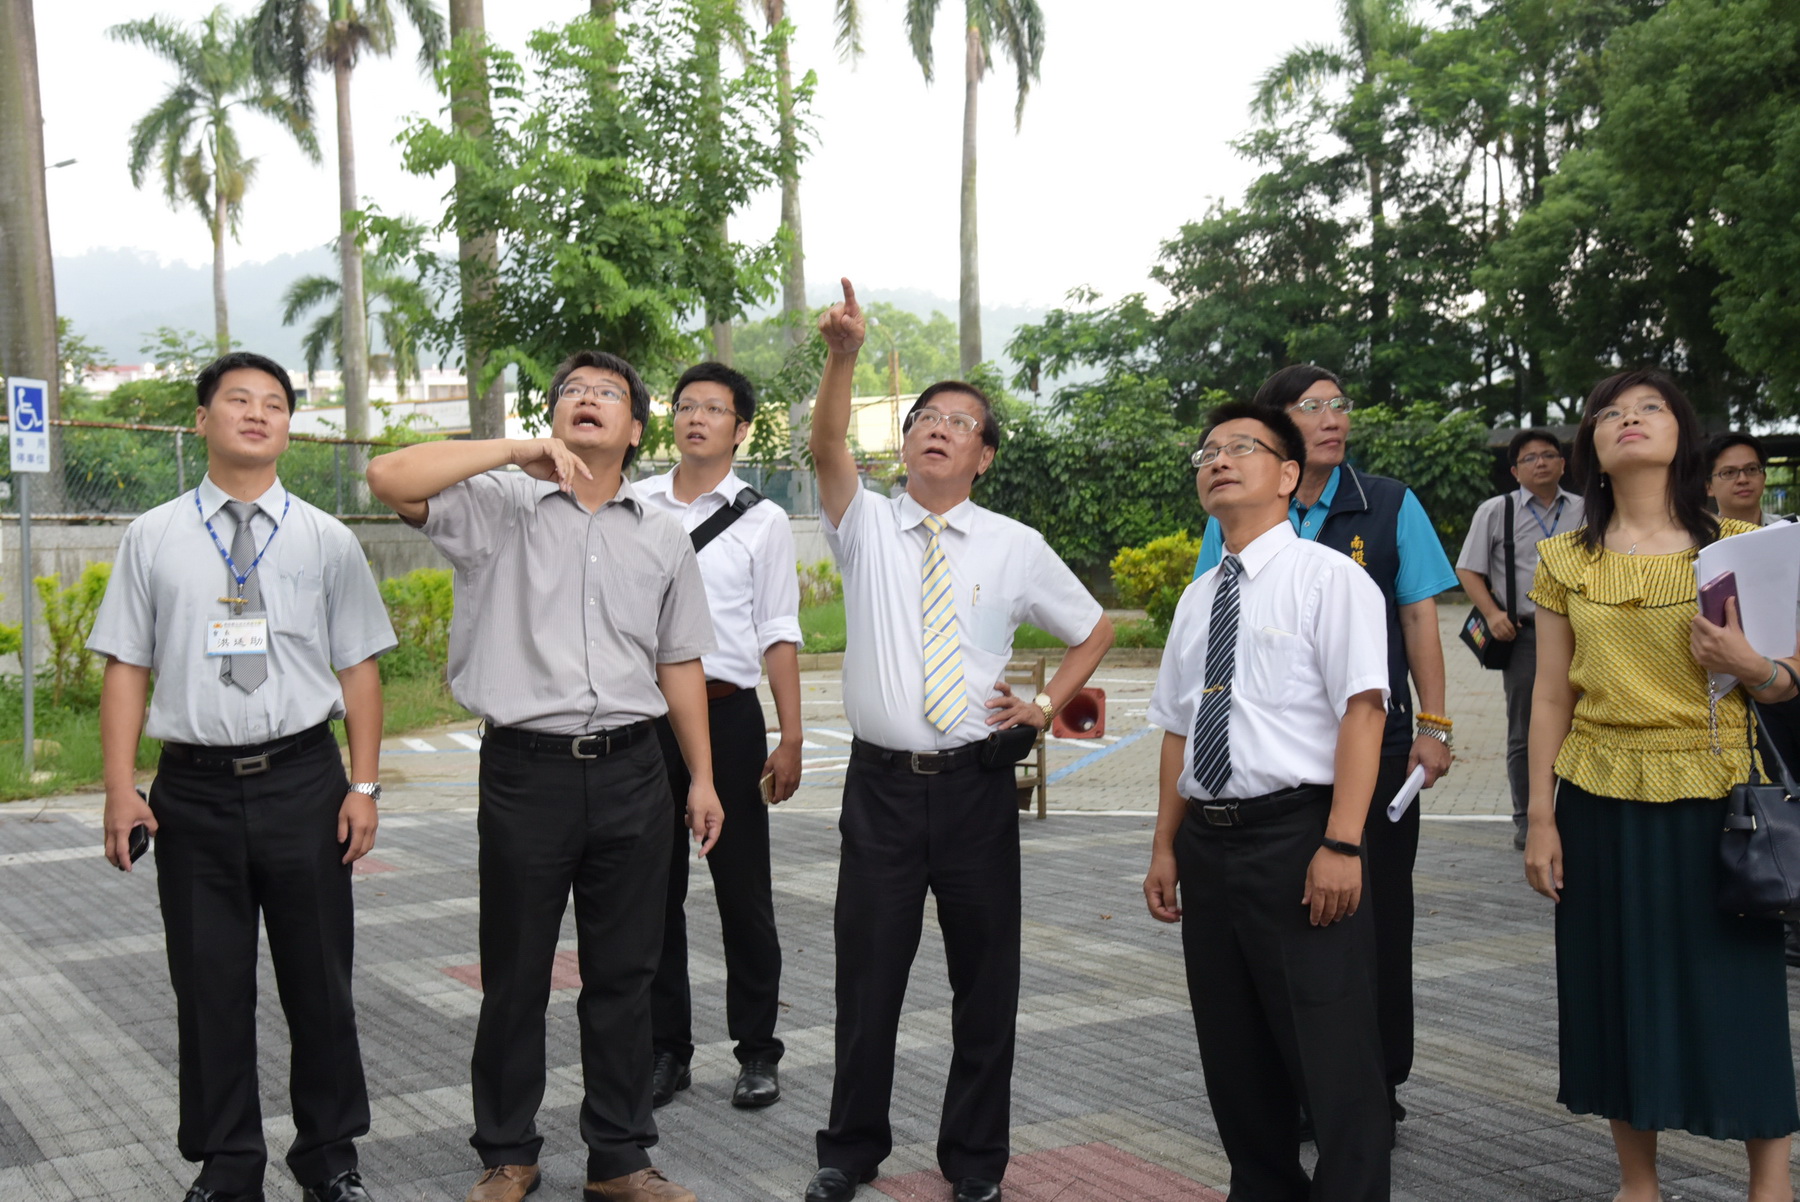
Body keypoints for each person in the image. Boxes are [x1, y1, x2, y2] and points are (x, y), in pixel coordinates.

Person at [365, 351, 723, 1202]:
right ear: (553, 416)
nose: (588, 401)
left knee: (625, 975)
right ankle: (508, 1151)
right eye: (572, 393)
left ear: (637, 430)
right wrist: (511, 449)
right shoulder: (498, 505)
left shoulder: (663, 531)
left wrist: (701, 776)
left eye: (608, 395)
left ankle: (621, 1157)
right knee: (517, 972)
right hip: (527, 773)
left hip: (637, 769)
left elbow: (680, 662)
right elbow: (387, 475)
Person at [802, 279, 1114, 1202]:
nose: (937, 429)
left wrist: (1049, 702)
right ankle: (849, 1150)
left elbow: (1091, 628)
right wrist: (844, 357)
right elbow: (825, 445)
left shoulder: (1014, 545)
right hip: (883, 792)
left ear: (983, 456)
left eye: (959, 422)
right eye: (923, 419)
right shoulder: (863, 524)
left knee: (986, 983)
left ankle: (975, 1162)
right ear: (903, 444)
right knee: (868, 982)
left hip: (978, 788)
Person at [90, 351, 396, 1202]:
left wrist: (362, 788)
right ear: (202, 420)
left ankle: (330, 1160)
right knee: (209, 987)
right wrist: (122, 787)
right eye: (237, 400)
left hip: (305, 781)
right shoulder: (151, 536)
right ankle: (228, 1169)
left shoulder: (325, 539)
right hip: (192, 793)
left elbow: (361, 668)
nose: (257, 414)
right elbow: (126, 667)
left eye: (274, 403)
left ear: (290, 426)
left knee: (320, 985)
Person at [1524, 369, 1798, 1202]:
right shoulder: (1564, 559)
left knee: (1736, 988)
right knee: (1616, 987)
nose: (1628, 420)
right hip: (1599, 797)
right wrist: (1540, 815)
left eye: (1649, 408)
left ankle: (1772, 1181)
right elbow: (1549, 692)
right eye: (1610, 412)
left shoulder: (1743, 547)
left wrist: (1753, 666)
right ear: (1593, 453)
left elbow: (1787, 679)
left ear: (1682, 434)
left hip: (1716, 795)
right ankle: (1637, 1183)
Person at [1190, 365, 1457, 1123]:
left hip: (1378, 736)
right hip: (1286, 756)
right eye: (1313, 407)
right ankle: (1301, 1083)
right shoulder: (1236, 509)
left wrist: (1433, 727)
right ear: (1278, 429)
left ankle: (1378, 1085)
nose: (1334, 418)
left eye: (1341, 404)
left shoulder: (1392, 502)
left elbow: (1417, 621)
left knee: (1375, 913)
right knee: (1294, 921)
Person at [1144, 400, 1392, 1202]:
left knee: (1332, 1058)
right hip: (1209, 850)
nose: (1217, 460)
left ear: (1288, 476)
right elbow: (1179, 730)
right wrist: (1164, 847)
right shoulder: (1197, 598)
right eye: (1207, 451)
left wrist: (1343, 844)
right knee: (1235, 1059)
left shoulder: (1331, 579)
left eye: (1240, 448)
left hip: (1299, 840)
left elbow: (1364, 709)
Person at [637, 362, 804, 1111]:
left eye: (714, 409)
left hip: (731, 716)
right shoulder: (631, 503)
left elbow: (777, 630)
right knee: (650, 895)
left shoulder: (762, 520)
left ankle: (757, 1051)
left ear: (741, 430)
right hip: (643, 722)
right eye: (685, 406)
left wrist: (791, 733)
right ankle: (665, 1050)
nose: (695, 418)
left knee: (744, 892)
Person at [1455, 430, 1584, 850]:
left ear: (1564, 464)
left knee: (1587, 725)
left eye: (1549, 455)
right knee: (1526, 732)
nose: (1541, 463)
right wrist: (1492, 615)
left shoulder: (1587, 511)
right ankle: (1528, 820)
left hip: (1585, 634)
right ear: (1515, 471)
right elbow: (1468, 569)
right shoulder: (1496, 511)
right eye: (1530, 459)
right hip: (1526, 636)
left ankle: (1577, 815)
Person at [1706, 432, 1790, 527]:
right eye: (1729, 472)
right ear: (1709, 487)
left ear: (1764, 478)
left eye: (1751, 469)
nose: (1743, 479)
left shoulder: (1790, 530)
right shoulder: (1700, 540)